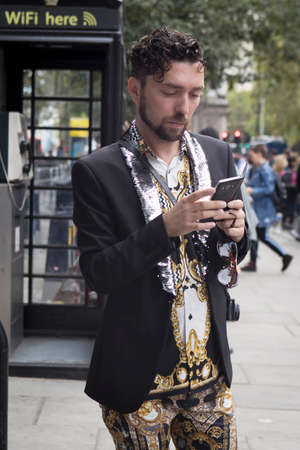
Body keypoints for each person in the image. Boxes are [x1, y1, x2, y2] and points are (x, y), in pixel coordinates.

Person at [72, 28, 248, 449]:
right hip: (137, 380)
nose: (183, 107)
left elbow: (232, 251)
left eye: (194, 93)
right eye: (170, 91)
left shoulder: (218, 154)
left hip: (208, 375)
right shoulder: (97, 170)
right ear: (136, 88)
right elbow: (98, 274)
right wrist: (165, 227)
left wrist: (238, 235)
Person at [242, 144, 293, 272]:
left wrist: (252, 190)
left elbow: (269, 189)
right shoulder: (256, 168)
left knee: (262, 236)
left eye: (252, 154)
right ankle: (253, 263)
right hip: (257, 208)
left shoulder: (265, 169)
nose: (250, 156)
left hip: (264, 209)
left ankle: (284, 255)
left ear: (259, 154)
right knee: (255, 234)